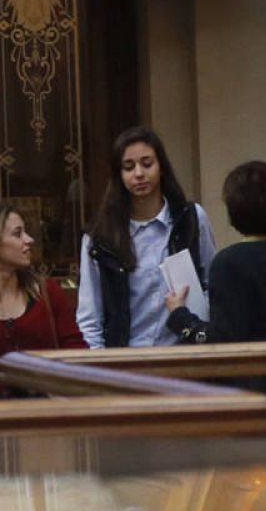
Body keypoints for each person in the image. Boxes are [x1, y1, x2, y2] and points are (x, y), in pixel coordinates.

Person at [160, 162, 266, 409]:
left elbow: (220, 340)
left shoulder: (227, 263)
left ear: (234, 209)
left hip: (248, 395)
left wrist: (180, 317)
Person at [77, 127, 217, 349]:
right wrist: (101, 367)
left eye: (147, 163)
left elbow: (212, 283)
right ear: (119, 175)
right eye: (129, 167)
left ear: (161, 167)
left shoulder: (190, 218)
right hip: (127, 361)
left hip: (185, 355)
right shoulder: (99, 237)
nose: (139, 174)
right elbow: (90, 317)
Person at [0, 203, 86, 399]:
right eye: (17, 234)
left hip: (49, 413)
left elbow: (77, 352)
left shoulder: (47, 292)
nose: (29, 240)